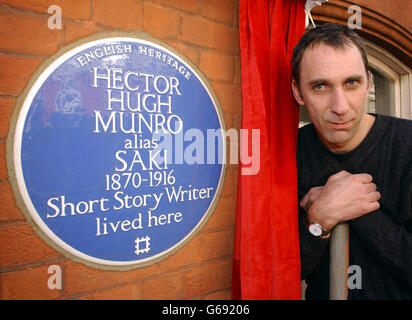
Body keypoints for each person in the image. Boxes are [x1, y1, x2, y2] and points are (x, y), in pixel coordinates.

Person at [291, 23, 412, 299]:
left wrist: (358, 210)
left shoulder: (407, 146)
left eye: (352, 83)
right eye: (320, 86)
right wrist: (320, 219)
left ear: (369, 82)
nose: (340, 106)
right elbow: (287, 270)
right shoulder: (291, 155)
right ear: (298, 91)